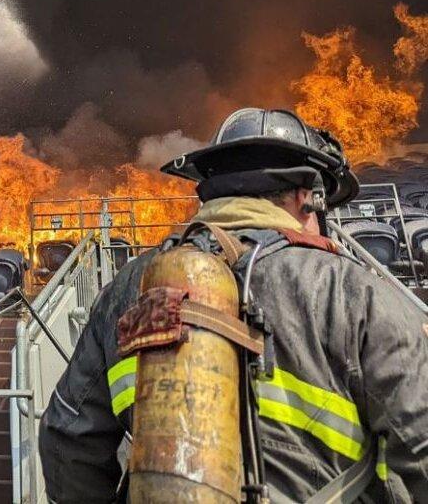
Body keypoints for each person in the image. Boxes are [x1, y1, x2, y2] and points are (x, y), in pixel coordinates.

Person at [38, 108, 428, 503]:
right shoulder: (353, 290)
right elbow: (420, 442)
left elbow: (66, 437)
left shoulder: (129, 288)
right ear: (304, 198)